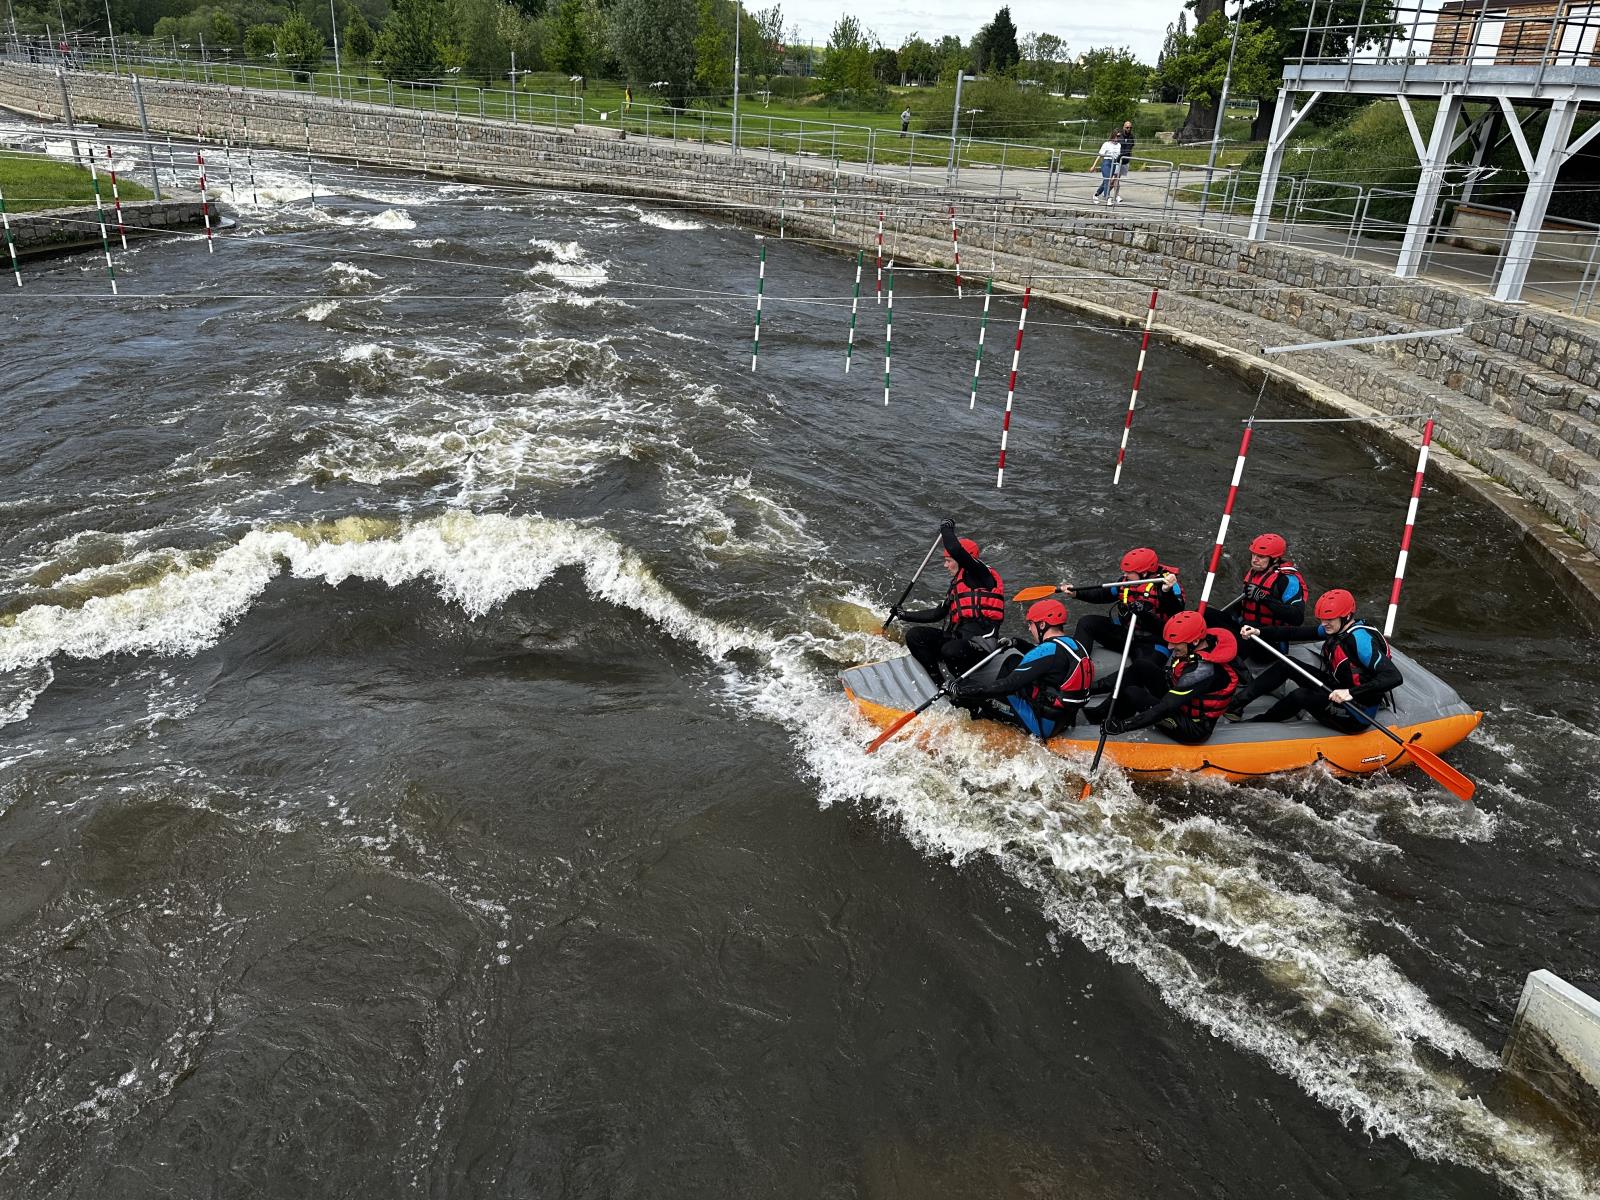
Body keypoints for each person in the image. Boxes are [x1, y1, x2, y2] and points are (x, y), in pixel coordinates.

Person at [1241, 588, 1403, 733]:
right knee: (1287, 663)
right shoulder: (1336, 628)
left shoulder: (1360, 641)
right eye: (1322, 619)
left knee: (1300, 696)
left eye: (1329, 620)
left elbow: (1394, 677)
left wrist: (1349, 693)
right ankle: (1236, 705)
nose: (1324, 624)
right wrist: (1259, 632)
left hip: (1357, 711)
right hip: (1335, 687)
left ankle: (1259, 724)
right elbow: (1295, 633)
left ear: (1346, 616)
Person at [950, 599, 1094, 739]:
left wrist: (963, 690)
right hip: (1064, 718)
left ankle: (976, 724)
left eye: (1031, 624)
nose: (1029, 628)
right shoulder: (1074, 644)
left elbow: (1008, 685)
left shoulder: (1046, 651)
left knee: (978, 693)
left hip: (1042, 725)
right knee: (1014, 661)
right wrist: (1017, 643)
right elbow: (1050, 662)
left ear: (1042, 625)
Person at [1092, 611, 1240, 745]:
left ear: (1194, 642)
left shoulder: (1201, 672)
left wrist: (1124, 726)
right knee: (1142, 666)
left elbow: (1165, 707)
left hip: (1191, 726)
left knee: (1133, 693)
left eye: (1175, 644)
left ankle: (1117, 721)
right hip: (1181, 701)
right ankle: (1098, 706)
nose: (1169, 647)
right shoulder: (1203, 642)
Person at [892, 518, 1006, 686]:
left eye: (949, 561)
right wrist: (904, 615)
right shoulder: (957, 585)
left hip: (980, 646)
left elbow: (954, 548)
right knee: (915, 636)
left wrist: (947, 528)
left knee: (950, 650)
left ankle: (963, 687)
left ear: (962, 560)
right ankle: (937, 681)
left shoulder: (982, 575)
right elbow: (937, 613)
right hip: (957, 640)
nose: (945, 565)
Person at [1216, 532, 1307, 715]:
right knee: (1211, 614)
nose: (1255, 560)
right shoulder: (1254, 573)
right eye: (1253, 555)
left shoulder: (1288, 580)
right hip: (1248, 629)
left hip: (1271, 642)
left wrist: (1265, 598)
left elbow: (1297, 618)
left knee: (1248, 628)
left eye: (1261, 556)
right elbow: (1241, 608)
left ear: (1274, 559)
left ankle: (1236, 685)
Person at [1065, 546, 1184, 657]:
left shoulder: (1168, 585)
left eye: (1129, 572)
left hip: (1153, 641)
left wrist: (1166, 592)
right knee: (1087, 622)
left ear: (1144, 573)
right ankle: (1078, 661)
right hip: (1125, 634)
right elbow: (1102, 594)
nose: (1124, 575)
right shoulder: (1125, 582)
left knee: (1144, 668)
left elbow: (1176, 613)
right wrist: (1077, 593)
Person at [1092, 129, 1123, 205]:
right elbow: (1100, 155)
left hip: (1114, 163)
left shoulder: (1119, 145)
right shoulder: (1106, 144)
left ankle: (1096, 194)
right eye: (1117, 136)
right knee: (1108, 180)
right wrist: (1093, 166)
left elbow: (1118, 156)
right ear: (1113, 136)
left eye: (1119, 136)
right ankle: (1108, 197)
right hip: (1106, 163)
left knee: (1106, 181)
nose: (1118, 138)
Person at [1116, 120, 1135, 197]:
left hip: (1125, 161)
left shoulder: (1132, 137)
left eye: (1130, 127)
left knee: (1117, 179)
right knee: (1115, 179)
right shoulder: (1118, 136)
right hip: (1117, 160)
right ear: (1123, 127)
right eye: (1127, 127)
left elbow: (1132, 146)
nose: (1129, 129)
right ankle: (1115, 196)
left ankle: (1105, 193)